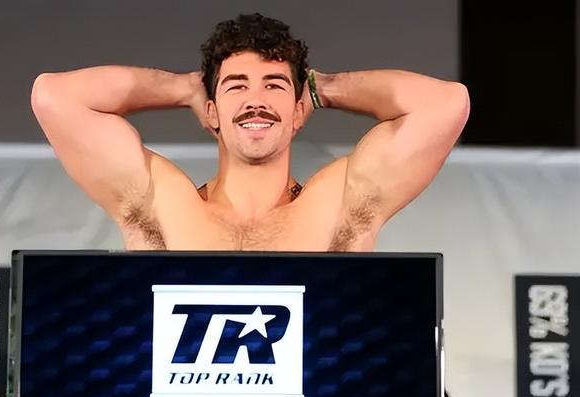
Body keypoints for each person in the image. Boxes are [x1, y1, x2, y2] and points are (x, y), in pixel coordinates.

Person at [30, 13, 469, 252]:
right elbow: (54, 96)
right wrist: (183, 88)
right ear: (212, 112)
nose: (255, 101)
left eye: (274, 86)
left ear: (298, 112)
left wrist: (323, 87)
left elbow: (447, 103)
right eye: (236, 86)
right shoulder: (161, 202)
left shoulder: (340, 203)